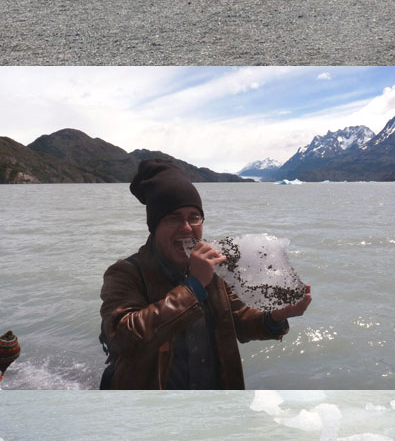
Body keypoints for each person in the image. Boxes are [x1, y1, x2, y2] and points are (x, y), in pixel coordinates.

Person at [100, 159, 312, 390]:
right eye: (173, 218)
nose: (187, 227)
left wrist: (276, 316)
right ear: (154, 226)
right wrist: (193, 287)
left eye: (194, 217)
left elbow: (240, 321)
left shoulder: (214, 269)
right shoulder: (125, 273)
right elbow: (124, 341)